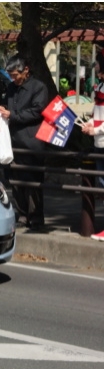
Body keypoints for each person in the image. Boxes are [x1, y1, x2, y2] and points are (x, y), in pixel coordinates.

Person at [0, 54, 48, 231]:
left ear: (25, 70)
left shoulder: (38, 87)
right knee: (16, 180)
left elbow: (38, 111)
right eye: (10, 75)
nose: (13, 78)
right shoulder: (11, 88)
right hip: (13, 140)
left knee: (33, 181)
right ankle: (22, 214)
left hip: (32, 139)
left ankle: (36, 217)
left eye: (15, 74)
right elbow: (7, 106)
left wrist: (13, 115)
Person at [81, 55, 104, 241]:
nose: (94, 65)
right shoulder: (101, 86)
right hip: (99, 143)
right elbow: (97, 113)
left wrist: (95, 129)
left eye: (96, 63)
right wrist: (90, 124)